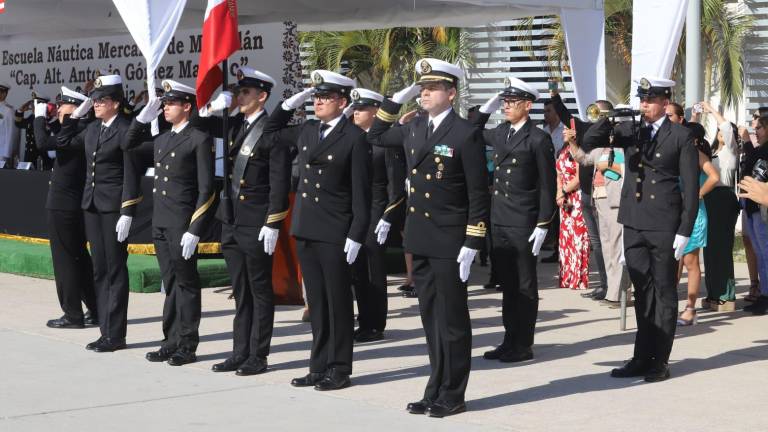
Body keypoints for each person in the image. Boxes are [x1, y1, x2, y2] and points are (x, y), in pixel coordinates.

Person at [367, 58, 490, 417]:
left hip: (451, 239)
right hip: (420, 237)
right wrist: (396, 100)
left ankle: (453, 393)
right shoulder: (414, 127)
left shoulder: (465, 133)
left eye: (431, 88)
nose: (424, 93)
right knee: (430, 318)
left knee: (452, 320)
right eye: (421, 88)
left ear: (451, 94)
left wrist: (473, 240)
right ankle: (434, 386)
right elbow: (375, 135)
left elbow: (478, 193)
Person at [270, 70, 372, 391]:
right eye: (315, 97)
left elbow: (361, 193)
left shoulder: (353, 138)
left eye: (324, 97)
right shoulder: (308, 130)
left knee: (338, 302)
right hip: (306, 226)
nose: (317, 102)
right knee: (316, 302)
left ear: (342, 102)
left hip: (335, 230)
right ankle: (318, 366)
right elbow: (270, 133)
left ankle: (339, 368)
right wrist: (291, 103)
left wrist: (356, 234)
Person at [606, 77, 698, 382]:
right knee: (642, 292)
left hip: (663, 225)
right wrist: (613, 115)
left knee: (664, 292)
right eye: (642, 99)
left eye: (650, 99)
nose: (644, 104)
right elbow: (592, 137)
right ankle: (641, 356)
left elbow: (691, 188)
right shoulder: (633, 132)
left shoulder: (680, 136)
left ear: (665, 101)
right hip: (633, 222)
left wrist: (685, 230)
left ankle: (660, 360)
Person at [201, 68, 292, 375]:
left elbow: (279, 183)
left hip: (256, 220)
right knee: (240, 291)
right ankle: (239, 351)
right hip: (231, 221)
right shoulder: (233, 123)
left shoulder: (271, 130)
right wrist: (214, 107)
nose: (240, 97)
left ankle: (258, 354)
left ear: (262, 96)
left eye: (245, 93)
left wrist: (273, 222)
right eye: (238, 92)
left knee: (259, 290)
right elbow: (198, 126)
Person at [125, 80, 215, 366]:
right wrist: (141, 118)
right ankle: (170, 340)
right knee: (170, 282)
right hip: (161, 221)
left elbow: (206, 188)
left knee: (186, 284)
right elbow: (127, 145)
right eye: (164, 104)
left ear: (186, 106)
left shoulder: (198, 138)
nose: (165, 108)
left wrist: (195, 228)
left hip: (182, 222)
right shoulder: (162, 139)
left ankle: (187, 344)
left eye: (170, 103)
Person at [57, 74, 143, 352]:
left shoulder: (125, 129)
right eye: (94, 99)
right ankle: (105, 331)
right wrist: (74, 117)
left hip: (114, 207)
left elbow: (131, 172)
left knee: (115, 270)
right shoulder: (93, 129)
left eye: (101, 99)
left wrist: (128, 210)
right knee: (99, 269)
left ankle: (115, 335)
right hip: (92, 205)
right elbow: (62, 142)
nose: (95, 104)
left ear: (116, 103)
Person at [474, 77, 555, 363]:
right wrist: (489, 104)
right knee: (506, 284)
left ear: (528, 105)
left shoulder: (537, 138)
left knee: (524, 284)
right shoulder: (501, 132)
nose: (506, 107)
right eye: (504, 102)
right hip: (499, 218)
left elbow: (547, 184)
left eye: (511, 102)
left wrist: (544, 223)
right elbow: (473, 129)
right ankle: (509, 340)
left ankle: (524, 343)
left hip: (523, 219)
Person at [33, 87, 97, 329]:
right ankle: (95, 309)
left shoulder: (77, 132)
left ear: (77, 108)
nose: (58, 108)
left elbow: (43, 143)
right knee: (79, 259)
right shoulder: (78, 131)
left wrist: (39, 114)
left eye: (64, 104)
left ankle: (72, 314)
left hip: (64, 206)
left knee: (66, 261)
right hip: (70, 205)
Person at [348, 88, 406, 343]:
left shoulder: (385, 143)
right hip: (355, 213)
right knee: (358, 270)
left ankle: (375, 323)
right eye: (355, 108)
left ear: (375, 112)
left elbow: (395, 185)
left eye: (361, 108)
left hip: (375, 212)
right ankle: (364, 320)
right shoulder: (353, 139)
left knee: (373, 271)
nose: (355, 112)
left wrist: (388, 216)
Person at [566, 114, 631, 305]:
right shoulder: (600, 150)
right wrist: (571, 142)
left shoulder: (623, 150)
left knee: (617, 248)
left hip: (616, 204)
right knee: (607, 248)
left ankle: (619, 294)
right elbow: (583, 159)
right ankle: (612, 291)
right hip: (600, 202)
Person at [550, 89, 609, 299]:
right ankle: (604, 284)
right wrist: (554, 95)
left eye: (601, 113)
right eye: (595, 112)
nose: (597, 116)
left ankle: (613, 284)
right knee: (597, 243)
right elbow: (565, 115)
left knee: (608, 241)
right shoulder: (585, 128)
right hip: (586, 194)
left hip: (604, 194)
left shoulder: (613, 132)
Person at [676, 122, 720, 325]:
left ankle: (690, 308)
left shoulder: (697, 155)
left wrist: (697, 195)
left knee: (690, 262)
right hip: (675, 213)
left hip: (694, 214)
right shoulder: (676, 153)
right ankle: (670, 305)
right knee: (674, 261)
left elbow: (714, 177)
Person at [698, 101, 740, 306]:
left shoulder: (730, 152)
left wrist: (712, 111)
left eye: (728, 131)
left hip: (723, 198)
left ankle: (726, 294)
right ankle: (713, 292)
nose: (723, 132)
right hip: (709, 198)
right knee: (710, 248)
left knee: (722, 247)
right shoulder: (712, 153)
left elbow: (726, 128)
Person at [739, 116, 768, 315]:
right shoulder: (758, 151)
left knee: (765, 253)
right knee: (760, 253)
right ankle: (764, 294)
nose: (755, 131)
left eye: (759, 128)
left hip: (763, 209)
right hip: (751, 206)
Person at [556, 131, 589, 290]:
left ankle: (579, 278)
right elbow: (559, 175)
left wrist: (564, 191)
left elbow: (579, 177)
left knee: (578, 238)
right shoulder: (561, 151)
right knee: (566, 238)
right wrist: (559, 193)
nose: (563, 132)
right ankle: (567, 277)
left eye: (567, 130)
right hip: (564, 198)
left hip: (576, 197)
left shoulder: (577, 151)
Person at [15, 92, 54, 169]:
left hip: (42, 157)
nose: (31, 106)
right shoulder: (32, 117)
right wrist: (20, 111)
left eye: (34, 103)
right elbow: (19, 124)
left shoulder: (47, 118)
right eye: (32, 103)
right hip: (29, 156)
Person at [0, 82, 20, 166]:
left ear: (5, 94)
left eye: (1, 92)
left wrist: (6, 154)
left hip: (1, 152)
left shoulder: (8, 110)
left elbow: (11, 133)